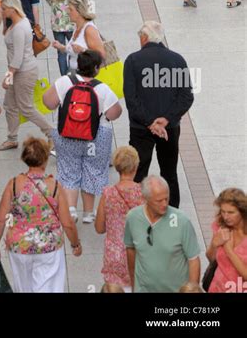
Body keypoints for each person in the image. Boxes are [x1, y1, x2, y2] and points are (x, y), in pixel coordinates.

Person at [0, 137, 82, 291]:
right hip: (49, 247)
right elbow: (67, 223)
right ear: (45, 159)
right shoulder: (54, 186)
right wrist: (75, 243)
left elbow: (0, 219)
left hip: (19, 246)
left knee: (23, 288)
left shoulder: (13, 184)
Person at [43, 49, 122, 223]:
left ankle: (71, 209)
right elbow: (115, 112)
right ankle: (88, 213)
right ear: (96, 68)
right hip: (96, 138)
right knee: (93, 170)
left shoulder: (64, 82)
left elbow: (48, 102)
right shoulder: (102, 88)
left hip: (66, 134)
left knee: (68, 169)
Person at [123, 21, 194, 208]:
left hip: (140, 128)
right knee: (169, 172)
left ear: (144, 37)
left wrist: (149, 122)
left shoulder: (133, 60)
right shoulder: (177, 60)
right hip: (169, 128)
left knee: (138, 172)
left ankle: (137, 211)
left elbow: (131, 98)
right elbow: (186, 97)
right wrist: (166, 119)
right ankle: (172, 212)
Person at [124, 176, 201, 292]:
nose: (164, 204)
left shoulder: (182, 221)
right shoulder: (132, 217)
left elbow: (193, 259)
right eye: (159, 201)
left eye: (166, 198)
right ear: (145, 198)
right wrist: (134, 285)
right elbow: (130, 249)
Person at [0, 0, 53, 151]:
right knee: (10, 105)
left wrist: (8, 77)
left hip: (23, 72)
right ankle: (12, 139)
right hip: (19, 71)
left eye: (3, 9)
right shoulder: (19, 23)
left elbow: (18, 57)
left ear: (12, 9)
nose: (1, 11)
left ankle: (51, 133)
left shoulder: (20, 28)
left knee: (26, 108)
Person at [95, 146, 144, 291]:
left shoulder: (108, 193)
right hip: (137, 253)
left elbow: (99, 228)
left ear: (117, 168)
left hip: (113, 254)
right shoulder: (142, 193)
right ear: (135, 167)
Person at [206, 188, 247, 293]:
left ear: (242, 212)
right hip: (217, 288)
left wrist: (229, 251)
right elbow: (211, 259)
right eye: (223, 211)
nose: (225, 217)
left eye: (231, 212)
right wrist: (214, 244)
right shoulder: (220, 226)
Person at [54, 0, 105, 71]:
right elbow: (74, 50)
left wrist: (83, 50)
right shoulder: (77, 27)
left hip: (86, 74)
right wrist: (62, 47)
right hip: (75, 71)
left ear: (80, 12)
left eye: (71, 9)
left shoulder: (89, 30)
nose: (67, 12)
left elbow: (101, 55)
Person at [45, 0, 80, 75]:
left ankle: (64, 76)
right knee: (72, 49)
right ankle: (74, 72)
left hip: (57, 25)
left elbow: (49, 2)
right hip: (70, 24)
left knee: (61, 52)